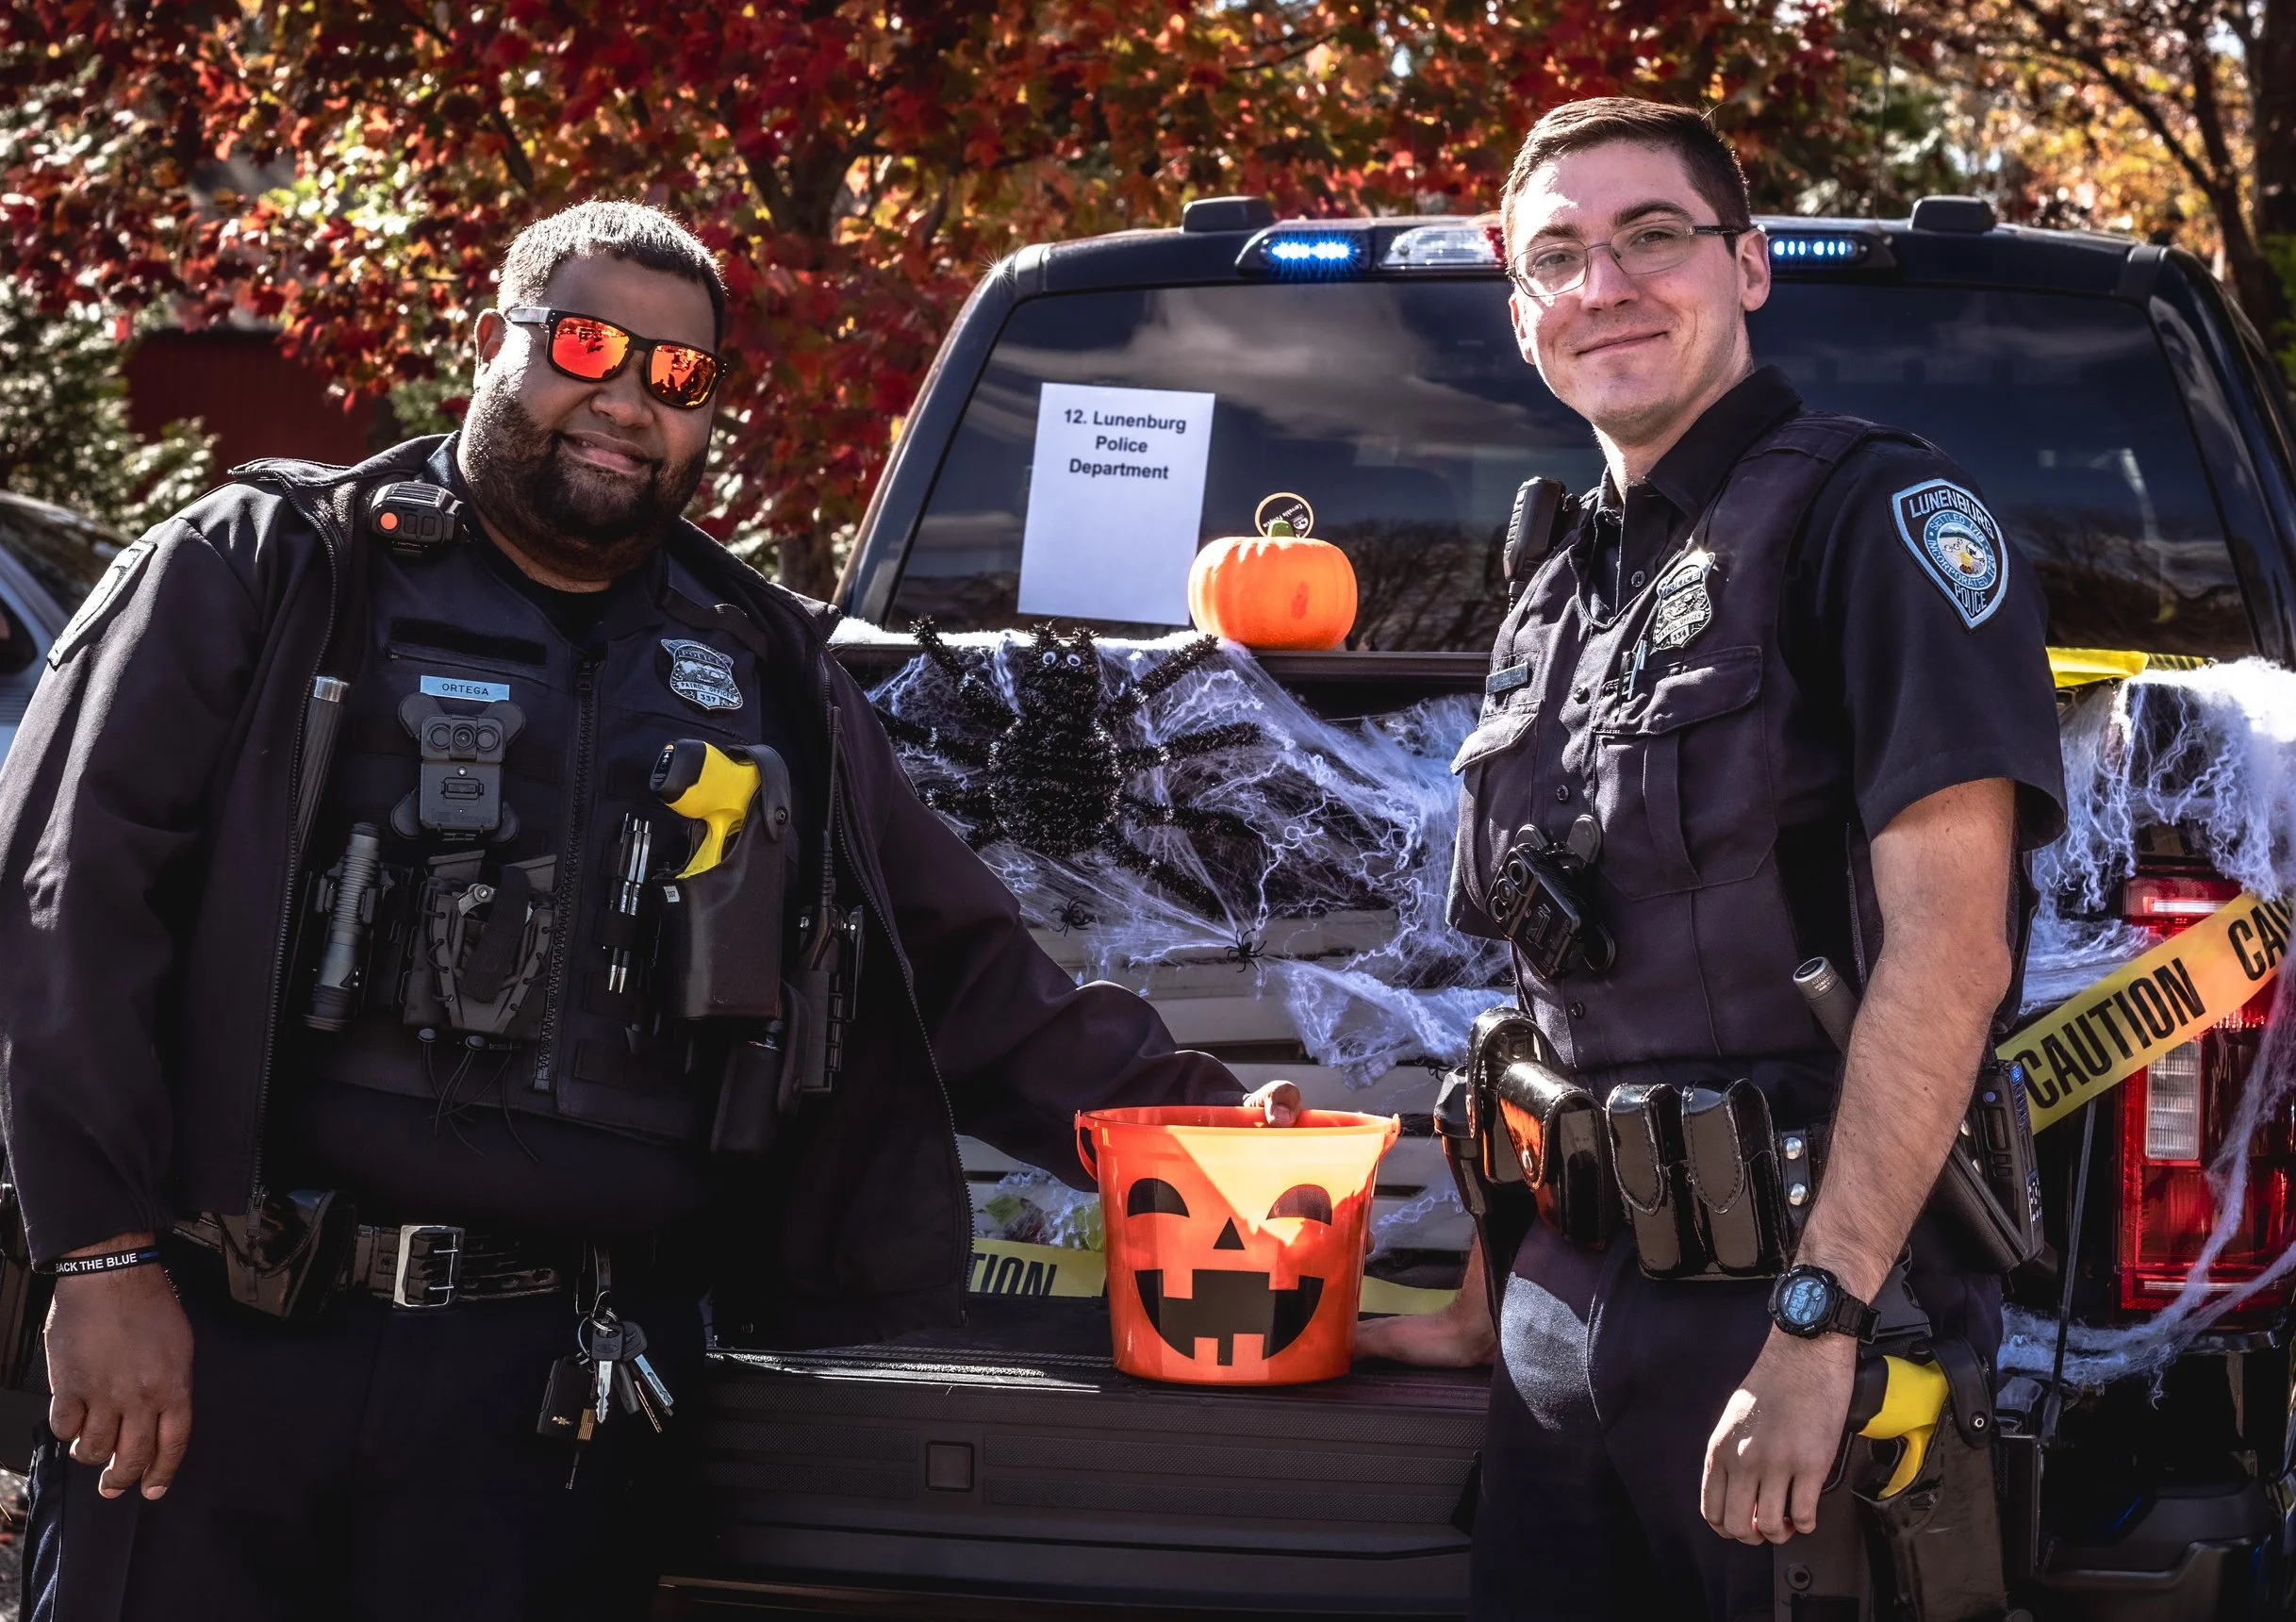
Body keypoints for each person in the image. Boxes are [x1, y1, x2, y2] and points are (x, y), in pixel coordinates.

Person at [0, 200, 1296, 1622]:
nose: (626, 399)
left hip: (552, 1401)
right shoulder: (277, 566)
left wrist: (1226, 1145)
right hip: (224, 1350)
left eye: (679, 378)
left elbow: (962, 971)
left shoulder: (759, 664)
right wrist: (102, 1256)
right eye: (585, 344)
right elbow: (69, 907)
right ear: (489, 343)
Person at [1363, 99, 2065, 1618]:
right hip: (1564, 1324)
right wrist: (1488, 1306)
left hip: (1796, 1322)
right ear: (1522, 311)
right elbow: (1564, 989)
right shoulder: (1558, 585)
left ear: (1749, 265)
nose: (1602, 283)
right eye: (1559, 255)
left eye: (1651, 237)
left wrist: (1819, 1328)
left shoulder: (1879, 520)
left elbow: (1955, 952)